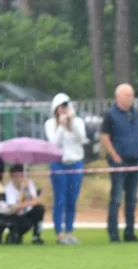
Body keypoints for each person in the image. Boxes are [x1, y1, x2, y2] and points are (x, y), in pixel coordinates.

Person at [100, 83, 138, 243]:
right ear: (118, 97)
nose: (130, 99)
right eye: (127, 95)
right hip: (119, 162)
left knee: (132, 199)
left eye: (132, 95)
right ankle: (113, 232)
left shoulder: (134, 113)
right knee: (117, 198)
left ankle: (129, 232)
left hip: (135, 161)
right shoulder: (110, 115)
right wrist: (115, 156)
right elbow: (104, 137)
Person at [44, 93, 84, 245]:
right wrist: (60, 126)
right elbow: (54, 143)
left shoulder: (78, 121)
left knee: (72, 199)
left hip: (75, 163)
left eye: (65, 106)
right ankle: (59, 233)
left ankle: (69, 231)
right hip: (59, 163)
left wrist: (71, 123)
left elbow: (81, 138)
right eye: (60, 107)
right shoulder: (50, 124)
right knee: (60, 199)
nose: (63, 109)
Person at [3, 164, 46, 244]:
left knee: (39, 209)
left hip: (27, 211)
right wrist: (21, 193)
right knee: (22, 224)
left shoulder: (29, 184)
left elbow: (36, 201)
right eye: (16, 176)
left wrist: (27, 190)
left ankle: (36, 236)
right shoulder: (9, 188)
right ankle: (14, 234)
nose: (19, 178)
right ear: (12, 177)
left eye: (21, 175)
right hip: (16, 215)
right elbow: (13, 207)